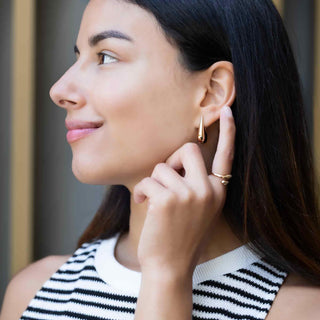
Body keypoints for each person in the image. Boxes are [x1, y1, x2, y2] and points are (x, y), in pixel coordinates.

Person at [1, 0, 320, 319]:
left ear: (211, 92)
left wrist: (166, 277)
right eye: (78, 57)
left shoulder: (300, 310)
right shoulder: (35, 293)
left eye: (106, 57)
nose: (59, 90)